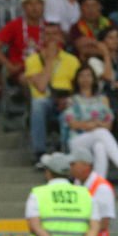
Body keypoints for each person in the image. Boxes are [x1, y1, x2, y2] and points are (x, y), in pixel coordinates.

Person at [62, 65, 118, 181]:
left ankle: (99, 182)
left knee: (100, 146)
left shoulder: (102, 99)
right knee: (101, 132)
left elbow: (108, 125)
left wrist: (93, 125)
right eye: (82, 76)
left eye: (88, 75)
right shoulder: (72, 100)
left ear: (94, 79)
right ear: (77, 79)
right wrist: (92, 125)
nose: (85, 79)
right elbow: (72, 124)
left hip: (98, 135)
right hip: (77, 139)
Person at [24, 21, 80, 164]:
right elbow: (41, 87)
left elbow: (79, 88)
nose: (51, 38)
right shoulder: (32, 60)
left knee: (70, 111)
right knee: (37, 104)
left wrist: (68, 100)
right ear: (42, 37)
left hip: (66, 99)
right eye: (47, 34)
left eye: (54, 34)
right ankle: (40, 153)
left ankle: (67, 153)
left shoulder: (72, 60)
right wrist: (49, 60)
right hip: (45, 102)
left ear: (61, 37)